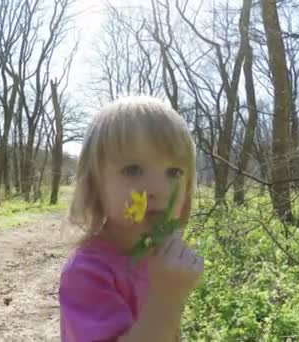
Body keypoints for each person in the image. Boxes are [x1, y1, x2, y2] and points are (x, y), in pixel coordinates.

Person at [59, 96, 204, 341]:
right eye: (133, 170)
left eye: (174, 172)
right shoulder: (87, 273)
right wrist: (167, 299)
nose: (157, 189)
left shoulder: (160, 258)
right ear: (95, 185)